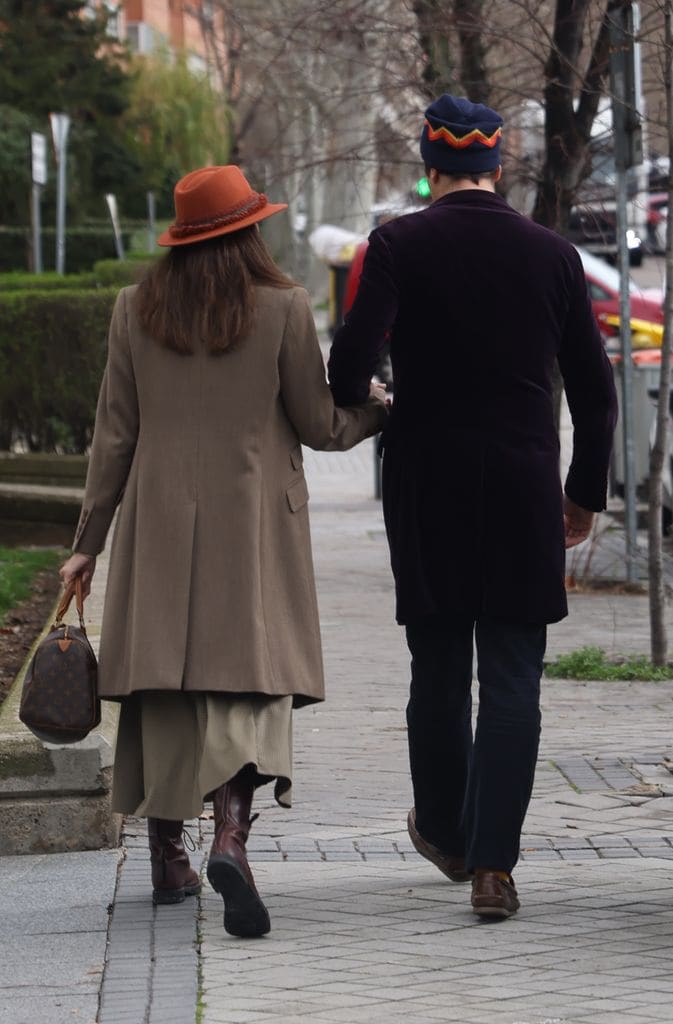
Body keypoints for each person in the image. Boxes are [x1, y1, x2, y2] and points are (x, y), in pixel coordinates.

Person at [60, 164, 387, 938]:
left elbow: (114, 435)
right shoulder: (280, 307)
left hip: (157, 523)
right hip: (254, 527)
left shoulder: (133, 309)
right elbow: (317, 424)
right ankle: (231, 837)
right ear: (249, 230)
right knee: (247, 681)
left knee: (166, 685)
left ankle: (169, 855)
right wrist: (374, 411)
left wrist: (86, 545)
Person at [327, 95, 618, 919]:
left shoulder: (396, 244)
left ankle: (448, 836)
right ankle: (495, 869)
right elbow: (596, 399)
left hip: (427, 483)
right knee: (515, 675)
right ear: (498, 164)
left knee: (438, 666)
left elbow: (352, 357)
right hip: (525, 485)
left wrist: (369, 394)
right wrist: (582, 493)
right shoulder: (553, 255)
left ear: (429, 165)